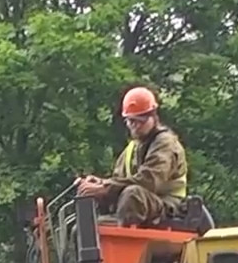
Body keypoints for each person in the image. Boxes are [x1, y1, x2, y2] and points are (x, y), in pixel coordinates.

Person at [77, 86, 189, 227]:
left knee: (133, 194)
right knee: (85, 228)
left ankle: (125, 239)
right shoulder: (131, 149)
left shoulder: (165, 143)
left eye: (140, 121)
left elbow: (149, 180)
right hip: (137, 208)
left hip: (168, 207)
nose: (135, 126)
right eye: (131, 121)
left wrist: (106, 187)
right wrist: (99, 184)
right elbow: (118, 181)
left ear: (153, 117)